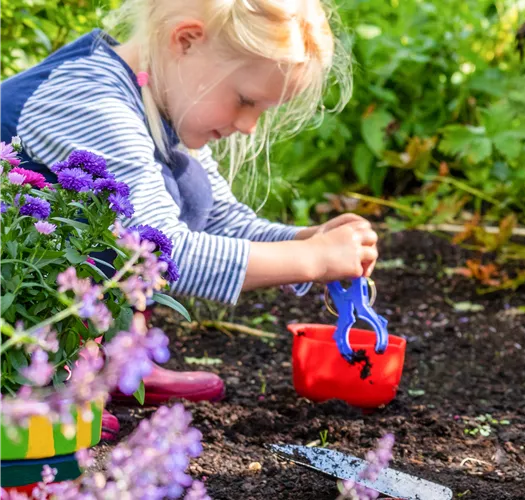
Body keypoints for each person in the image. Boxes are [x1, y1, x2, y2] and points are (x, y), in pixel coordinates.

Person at [0, 0, 376, 437]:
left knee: (190, 190)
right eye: (245, 100)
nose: (250, 125)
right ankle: (32, 378)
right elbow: (159, 249)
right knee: (116, 233)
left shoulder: (154, 96)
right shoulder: (90, 101)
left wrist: (306, 238)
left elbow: (220, 220)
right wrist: (312, 259)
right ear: (186, 41)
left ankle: (118, 358)